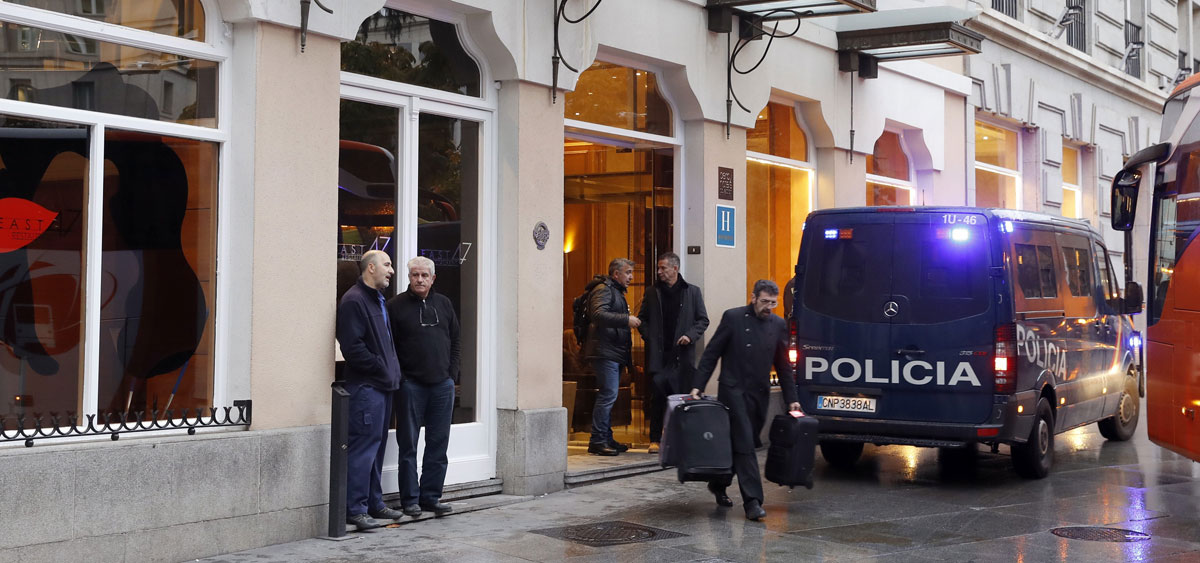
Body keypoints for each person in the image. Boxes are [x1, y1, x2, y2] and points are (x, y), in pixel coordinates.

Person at [690, 279, 801, 521]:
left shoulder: (779, 324)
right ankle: (753, 502)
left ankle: (718, 483)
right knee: (746, 446)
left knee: (742, 443)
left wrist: (792, 399)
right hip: (733, 391)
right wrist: (698, 386)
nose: (768, 307)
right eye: (764, 302)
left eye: (773, 303)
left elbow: (783, 366)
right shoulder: (734, 318)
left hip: (759, 394)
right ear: (753, 298)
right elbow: (712, 353)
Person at [335, 250, 405, 531]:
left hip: (383, 387)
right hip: (366, 388)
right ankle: (356, 509)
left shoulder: (378, 300)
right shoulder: (354, 300)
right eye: (387, 265)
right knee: (363, 448)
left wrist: (391, 372)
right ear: (371, 268)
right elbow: (352, 348)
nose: (391, 270)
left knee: (376, 449)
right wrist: (380, 367)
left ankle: (374, 504)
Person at [388, 256, 460, 518]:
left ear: (433, 278)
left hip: (442, 386)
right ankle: (410, 500)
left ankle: (431, 497)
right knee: (408, 446)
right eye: (415, 275)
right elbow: (390, 347)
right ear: (409, 277)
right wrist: (402, 379)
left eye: (424, 276)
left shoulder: (444, 304)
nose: (419, 279)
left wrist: (452, 375)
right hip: (411, 387)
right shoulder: (395, 306)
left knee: (438, 445)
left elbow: (455, 341)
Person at [637, 252, 709, 453]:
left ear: (675, 269)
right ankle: (655, 440)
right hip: (660, 357)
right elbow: (642, 319)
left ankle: (680, 440)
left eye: (663, 268)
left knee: (681, 399)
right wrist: (649, 337)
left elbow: (702, 320)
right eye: (658, 268)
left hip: (682, 357)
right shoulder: (652, 292)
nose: (659, 272)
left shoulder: (692, 292)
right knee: (657, 397)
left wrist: (690, 335)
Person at [583, 258, 640, 456]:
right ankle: (598, 440)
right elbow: (598, 314)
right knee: (608, 395)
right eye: (628, 272)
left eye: (632, 272)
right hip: (604, 351)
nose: (631, 277)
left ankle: (606, 437)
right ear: (616, 274)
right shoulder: (604, 289)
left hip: (612, 351)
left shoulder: (614, 291)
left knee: (609, 395)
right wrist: (626, 319)